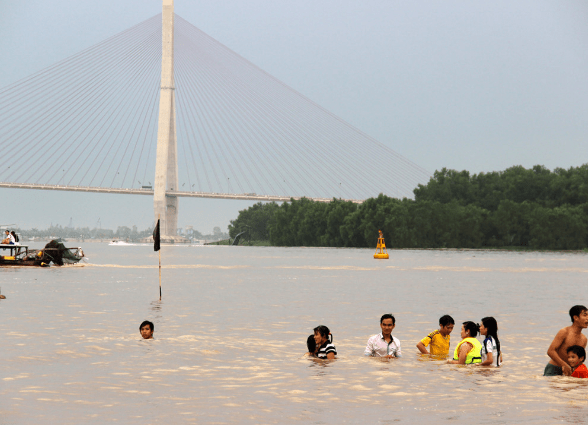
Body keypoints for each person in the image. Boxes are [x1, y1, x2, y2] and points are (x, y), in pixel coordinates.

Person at [545, 305, 588, 376]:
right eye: (585, 315)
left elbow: (579, 358)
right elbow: (550, 351)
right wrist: (564, 365)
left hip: (570, 371)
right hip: (554, 368)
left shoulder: (584, 339)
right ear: (576, 317)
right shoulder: (564, 332)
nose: (587, 318)